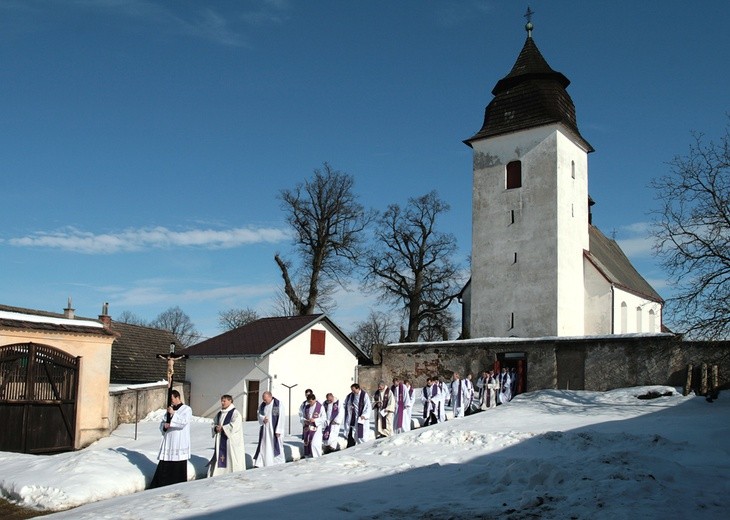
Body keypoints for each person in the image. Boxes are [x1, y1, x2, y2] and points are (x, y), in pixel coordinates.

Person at [149, 389, 192, 489]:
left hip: (179, 441)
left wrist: (174, 414)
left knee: (177, 465)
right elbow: (163, 423)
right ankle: (161, 483)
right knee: (166, 463)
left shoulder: (186, 409)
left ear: (177, 398)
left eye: (172, 399)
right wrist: (165, 426)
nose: (171, 401)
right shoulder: (169, 409)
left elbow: (183, 422)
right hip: (169, 440)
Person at [208, 394, 245, 477]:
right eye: (221, 401)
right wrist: (215, 428)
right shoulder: (220, 413)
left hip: (231, 443)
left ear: (230, 401)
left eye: (224, 401)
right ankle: (219, 473)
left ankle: (232, 473)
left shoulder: (235, 413)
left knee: (231, 458)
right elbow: (214, 423)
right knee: (221, 457)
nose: (222, 402)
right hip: (221, 439)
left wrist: (223, 428)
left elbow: (235, 425)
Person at [253, 391, 285, 467]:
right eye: (263, 399)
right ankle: (262, 462)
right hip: (265, 430)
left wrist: (278, 430)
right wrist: (263, 419)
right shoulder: (262, 405)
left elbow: (281, 417)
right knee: (264, 445)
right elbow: (259, 415)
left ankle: (278, 462)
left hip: (274, 430)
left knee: (276, 445)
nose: (264, 401)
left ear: (270, 397)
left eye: (265, 399)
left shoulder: (277, 404)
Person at [301, 393, 326, 458]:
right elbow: (302, 416)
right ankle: (309, 457)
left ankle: (317, 457)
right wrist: (304, 420)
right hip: (308, 428)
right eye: (309, 402)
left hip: (316, 428)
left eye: (311, 401)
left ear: (314, 399)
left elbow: (324, 418)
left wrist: (315, 420)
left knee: (315, 444)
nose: (310, 403)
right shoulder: (306, 407)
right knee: (308, 443)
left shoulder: (320, 407)